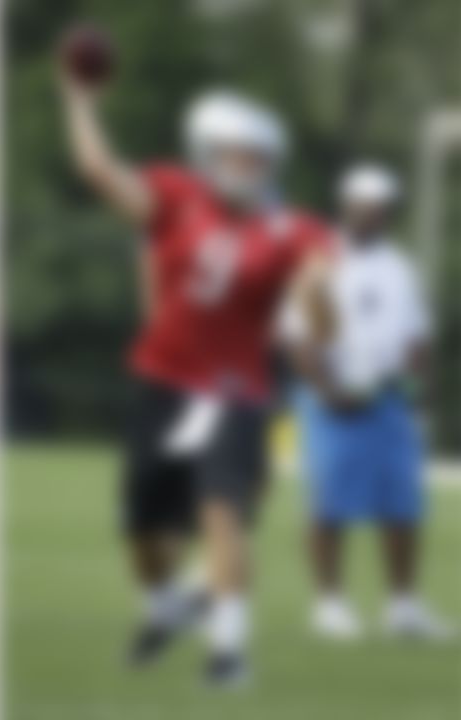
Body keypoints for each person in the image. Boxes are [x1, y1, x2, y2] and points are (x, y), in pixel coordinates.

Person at [56, 51, 329, 686]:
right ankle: (166, 606)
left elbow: (321, 291)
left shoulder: (292, 228)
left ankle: (228, 654)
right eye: (240, 154)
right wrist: (80, 101)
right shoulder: (176, 196)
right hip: (164, 382)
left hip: (233, 390)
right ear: (207, 152)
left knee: (221, 511)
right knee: (144, 531)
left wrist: (317, 297)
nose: (251, 167)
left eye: (260, 158)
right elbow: (98, 170)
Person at [282, 163, 454, 642]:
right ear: (344, 205)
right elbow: (296, 338)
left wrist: (418, 399)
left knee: (403, 506)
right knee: (328, 504)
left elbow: (417, 341)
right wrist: (326, 391)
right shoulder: (319, 262)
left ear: (389, 212)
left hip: (388, 398)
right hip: (331, 398)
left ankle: (404, 607)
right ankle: (329, 605)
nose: (370, 213)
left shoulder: (400, 267)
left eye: (379, 206)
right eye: (361, 204)